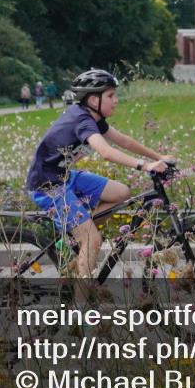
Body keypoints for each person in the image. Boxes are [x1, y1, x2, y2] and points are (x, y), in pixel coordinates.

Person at [25, 69, 175, 280]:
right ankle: (81, 306)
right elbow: (105, 151)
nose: (116, 100)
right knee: (92, 240)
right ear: (94, 99)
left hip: (65, 176)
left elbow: (123, 140)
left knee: (122, 192)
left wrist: (158, 157)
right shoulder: (82, 120)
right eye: (111, 96)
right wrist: (145, 166)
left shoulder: (93, 118)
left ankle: (73, 236)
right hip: (47, 185)